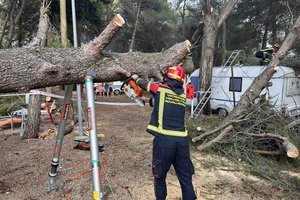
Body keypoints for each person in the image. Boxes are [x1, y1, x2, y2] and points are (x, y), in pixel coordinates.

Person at [131, 65, 197, 200]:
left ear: (167, 78)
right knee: (185, 178)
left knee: (160, 176)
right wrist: (147, 101)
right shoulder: (182, 95)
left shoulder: (159, 88)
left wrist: (136, 79)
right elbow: (164, 102)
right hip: (182, 143)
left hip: (165, 143)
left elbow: (146, 84)